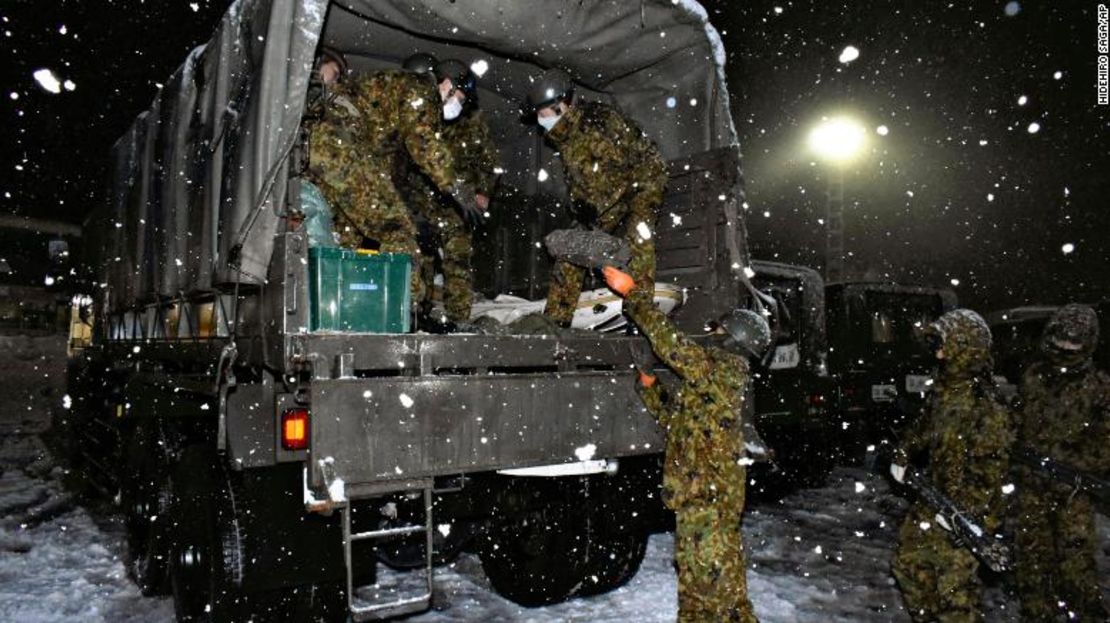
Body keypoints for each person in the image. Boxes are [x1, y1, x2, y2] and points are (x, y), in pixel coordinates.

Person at [603, 265, 769, 623]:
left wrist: (633, 295)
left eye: (720, 330)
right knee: (694, 600)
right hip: (695, 504)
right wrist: (649, 386)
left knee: (724, 603)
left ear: (734, 339)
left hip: (710, 506)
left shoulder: (725, 371)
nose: (713, 333)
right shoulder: (710, 383)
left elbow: (673, 346)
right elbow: (676, 422)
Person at [302, 47, 480, 308]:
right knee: (399, 231)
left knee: (343, 237)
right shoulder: (421, 89)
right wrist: (456, 186)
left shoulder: (388, 96)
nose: (458, 107)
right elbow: (424, 142)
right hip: (340, 147)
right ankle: (399, 313)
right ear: (447, 84)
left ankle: (335, 307)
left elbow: (383, 172)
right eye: (460, 99)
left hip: (320, 150)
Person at [888, 309, 1013, 622]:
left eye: (945, 344)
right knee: (909, 566)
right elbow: (923, 427)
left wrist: (963, 515)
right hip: (932, 498)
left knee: (953, 595)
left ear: (965, 348)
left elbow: (990, 474)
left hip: (966, 514)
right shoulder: (944, 390)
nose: (939, 352)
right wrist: (903, 452)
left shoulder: (985, 404)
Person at [525, 68, 667, 327]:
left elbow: (616, 174)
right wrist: (579, 206)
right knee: (571, 249)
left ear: (559, 106)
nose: (538, 119)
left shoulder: (596, 123)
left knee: (639, 241)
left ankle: (642, 316)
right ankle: (556, 322)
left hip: (642, 184)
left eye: (541, 112)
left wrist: (595, 208)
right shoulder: (566, 135)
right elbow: (582, 180)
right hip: (610, 196)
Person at [1012, 304, 1109, 622]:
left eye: (1075, 341)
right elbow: (1018, 419)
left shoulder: (1100, 387)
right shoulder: (1034, 376)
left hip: (1073, 493)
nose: (1066, 347)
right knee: (1032, 565)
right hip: (1031, 489)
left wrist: (1068, 464)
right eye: (1062, 339)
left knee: (1076, 567)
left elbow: (1105, 444)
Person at [398, 56, 501, 324]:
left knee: (457, 262)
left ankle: (458, 320)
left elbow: (489, 163)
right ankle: (417, 315)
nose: (460, 102)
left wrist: (483, 192)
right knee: (421, 260)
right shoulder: (419, 115)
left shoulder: (473, 122)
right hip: (421, 202)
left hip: (459, 204)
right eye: (458, 95)